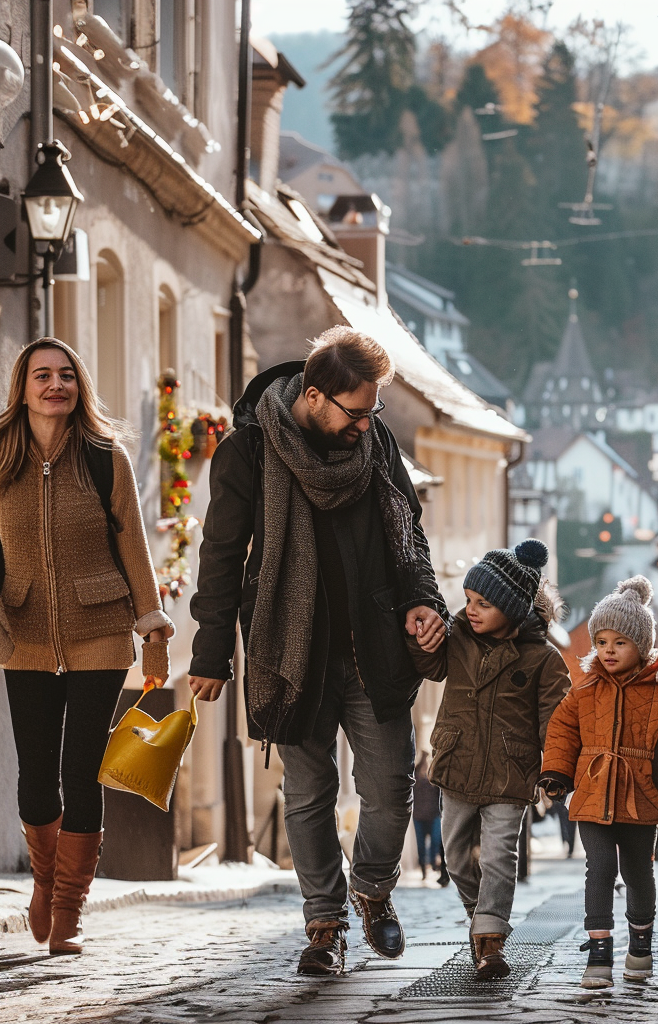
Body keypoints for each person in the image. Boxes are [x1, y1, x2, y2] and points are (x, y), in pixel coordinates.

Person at [187, 327, 448, 977]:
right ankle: (324, 923)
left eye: (373, 410)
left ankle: (372, 888)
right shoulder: (247, 452)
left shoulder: (376, 442)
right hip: (287, 650)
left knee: (390, 789)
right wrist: (212, 654)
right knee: (309, 793)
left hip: (374, 645)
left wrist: (423, 600)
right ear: (313, 396)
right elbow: (220, 559)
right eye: (357, 411)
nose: (367, 423)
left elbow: (408, 534)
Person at [0, 338, 174, 955]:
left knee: (82, 769)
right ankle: (45, 883)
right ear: (22, 386)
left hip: (101, 628)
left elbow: (134, 546)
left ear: (80, 386)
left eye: (66, 376)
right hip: (22, 632)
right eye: (42, 376)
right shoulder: (0, 455)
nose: (55, 386)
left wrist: (152, 626)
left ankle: (69, 907)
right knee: (36, 775)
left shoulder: (105, 456)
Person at [407, 539, 571, 980]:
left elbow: (555, 722)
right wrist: (421, 639)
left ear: (513, 608)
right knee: (457, 857)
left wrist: (556, 769)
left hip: (510, 774)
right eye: (469, 600)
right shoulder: (457, 636)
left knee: (499, 856)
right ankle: (480, 916)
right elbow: (430, 667)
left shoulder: (543, 659)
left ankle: (490, 940)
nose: (472, 609)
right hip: (457, 764)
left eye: (483, 603)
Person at [540, 576, 658, 989]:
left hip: (641, 793)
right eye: (601, 642)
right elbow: (563, 730)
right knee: (599, 867)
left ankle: (640, 944)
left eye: (619, 643)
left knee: (638, 871)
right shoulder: (585, 689)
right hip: (592, 790)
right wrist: (556, 773)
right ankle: (599, 952)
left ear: (641, 644)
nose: (607, 651)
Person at [412, 754, 442, 881]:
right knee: (421, 845)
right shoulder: (416, 781)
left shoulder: (434, 780)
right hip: (419, 816)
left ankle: (434, 865)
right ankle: (424, 868)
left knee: (436, 842)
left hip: (434, 815)